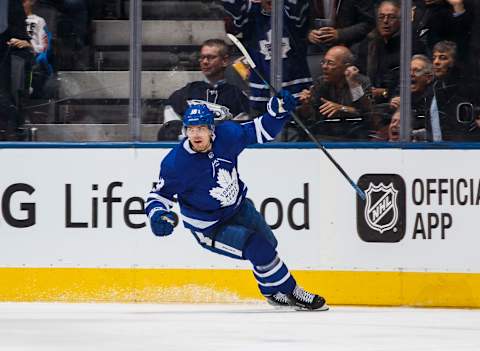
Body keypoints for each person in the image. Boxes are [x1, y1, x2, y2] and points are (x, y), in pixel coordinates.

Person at [145, 90, 329, 311]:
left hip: (239, 208)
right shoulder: (175, 163)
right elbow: (158, 195)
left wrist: (277, 112)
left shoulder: (228, 136)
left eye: (201, 128)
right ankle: (294, 292)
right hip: (210, 228)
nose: (196, 135)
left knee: (269, 246)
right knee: (259, 248)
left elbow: (261, 130)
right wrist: (157, 215)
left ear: (212, 129)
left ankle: (270, 292)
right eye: (191, 129)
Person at [222, 0, 312, 114]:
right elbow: (234, 13)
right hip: (261, 94)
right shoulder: (250, 12)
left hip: (297, 90)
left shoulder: (291, 11)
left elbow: (300, 16)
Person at [159, 39, 250, 141]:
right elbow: (169, 132)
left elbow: (241, 133)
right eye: (202, 58)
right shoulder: (185, 93)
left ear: (224, 61)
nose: (205, 62)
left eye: (211, 58)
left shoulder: (237, 96)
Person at [298, 45, 372, 140]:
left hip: (354, 137)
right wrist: (306, 105)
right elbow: (310, 117)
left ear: (347, 67)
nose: (324, 67)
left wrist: (342, 108)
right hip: (325, 137)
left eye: (330, 63)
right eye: (323, 62)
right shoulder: (321, 83)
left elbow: (367, 114)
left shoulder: (361, 82)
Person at [353, 0, 401, 104]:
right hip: (370, 104)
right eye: (381, 17)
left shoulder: (410, 44)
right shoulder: (368, 44)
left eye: (391, 17)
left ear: (401, 20)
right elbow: (359, 75)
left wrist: (386, 92)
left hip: (397, 102)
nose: (385, 21)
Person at [0, 0, 31, 141]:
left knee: (6, 95)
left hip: (8, 52)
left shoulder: (11, 4)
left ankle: (13, 130)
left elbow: (21, 35)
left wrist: (24, 42)